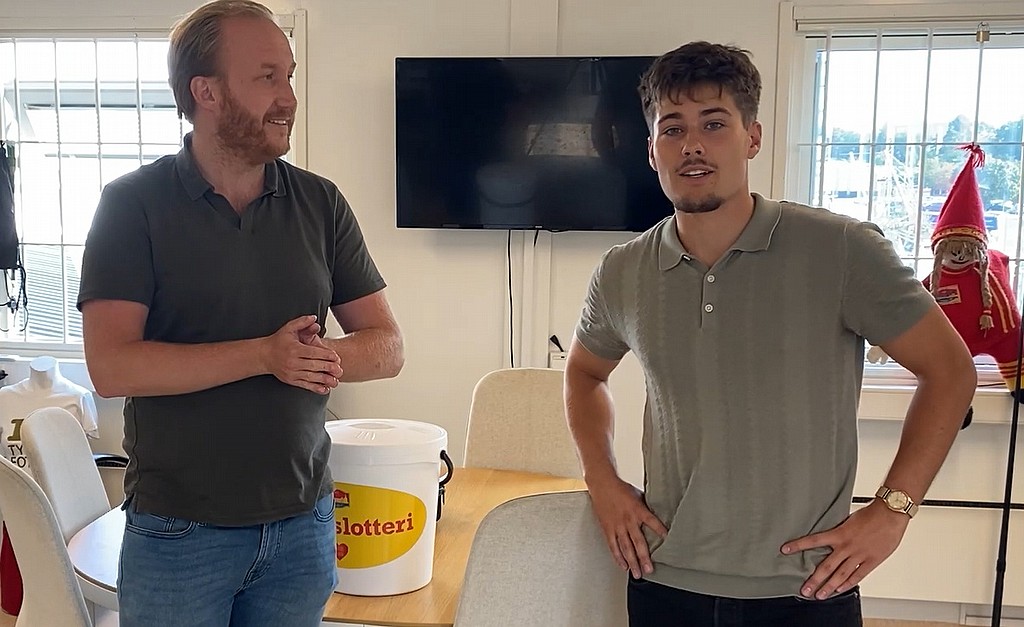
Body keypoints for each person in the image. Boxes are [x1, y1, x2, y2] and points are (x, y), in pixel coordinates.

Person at [565, 41, 977, 626]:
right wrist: (601, 479)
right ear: (652, 151)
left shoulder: (841, 250)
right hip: (665, 577)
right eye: (672, 128)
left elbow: (951, 371)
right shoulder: (623, 270)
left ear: (752, 137)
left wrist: (894, 510)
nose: (692, 145)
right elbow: (584, 373)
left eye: (714, 123)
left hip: (806, 587)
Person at [77, 1, 404, 625]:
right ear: (206, 92)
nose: (289, 98)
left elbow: (387, 347)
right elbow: (112, 367)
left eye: (290, 76)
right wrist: (263, 355)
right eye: (267, 77)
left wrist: (312, 358)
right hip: (178, 534)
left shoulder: (321, 203)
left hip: (303, 526)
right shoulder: (132, 205)